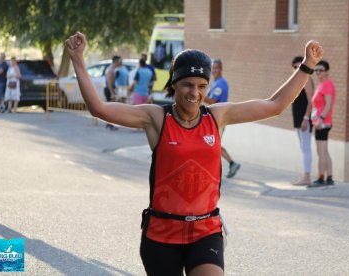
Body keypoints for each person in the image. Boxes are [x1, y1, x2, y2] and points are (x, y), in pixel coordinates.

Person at [66, 32, 323, 276]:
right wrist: (78, 60)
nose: (195, 93)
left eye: (202, 86)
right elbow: (99, 109)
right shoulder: (156, 118)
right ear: (174, 84)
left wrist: (307, 66)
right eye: (188, 85)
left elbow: (275, 105)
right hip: (161, 233)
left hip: (205, 230)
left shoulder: (218, 116)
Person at [203, 59, 241, 178]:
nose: (214, 70)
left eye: (216, 68)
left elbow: (212, 101)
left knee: (212, 144)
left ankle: (226, 166)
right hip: (215, 119)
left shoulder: (220, 84)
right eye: (212, 68)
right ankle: (230, 164)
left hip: (219, 119)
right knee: (211, 144)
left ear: (221, 69)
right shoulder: (215, 83)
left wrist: (199, 94)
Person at [308, 60, 336, 188]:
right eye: (316, 70)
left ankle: (320, 178)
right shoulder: (322, 84)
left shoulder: (327, 85)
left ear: (327, 72)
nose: (318, 72)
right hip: (321, 122)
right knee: (324, 151)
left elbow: (328, 104)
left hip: (323, 123)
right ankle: (329, 177)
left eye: (321, 70)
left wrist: (320, 119)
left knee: (321, 152)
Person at [290, 56, 314, 185]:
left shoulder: (307, 80)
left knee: (306, 148)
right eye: (295, 67)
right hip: (298, 119)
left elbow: (311, 101)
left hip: (304, 119)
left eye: (300, 67)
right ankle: (305, 174)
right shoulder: (296, 82)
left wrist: (306, 118)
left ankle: (307, 177)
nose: (297, 69)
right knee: (302, 147)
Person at [104, 55, 122, 130]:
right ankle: (109, 124)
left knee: (110, 108)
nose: (120, 63)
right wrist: (112, 93)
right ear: (116, 61)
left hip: (110, 89)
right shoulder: (110, 70)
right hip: (109, 90)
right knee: (110, 108)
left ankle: (109, 124)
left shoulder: (112, 69)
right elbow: (109, 83)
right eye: (119, 61)